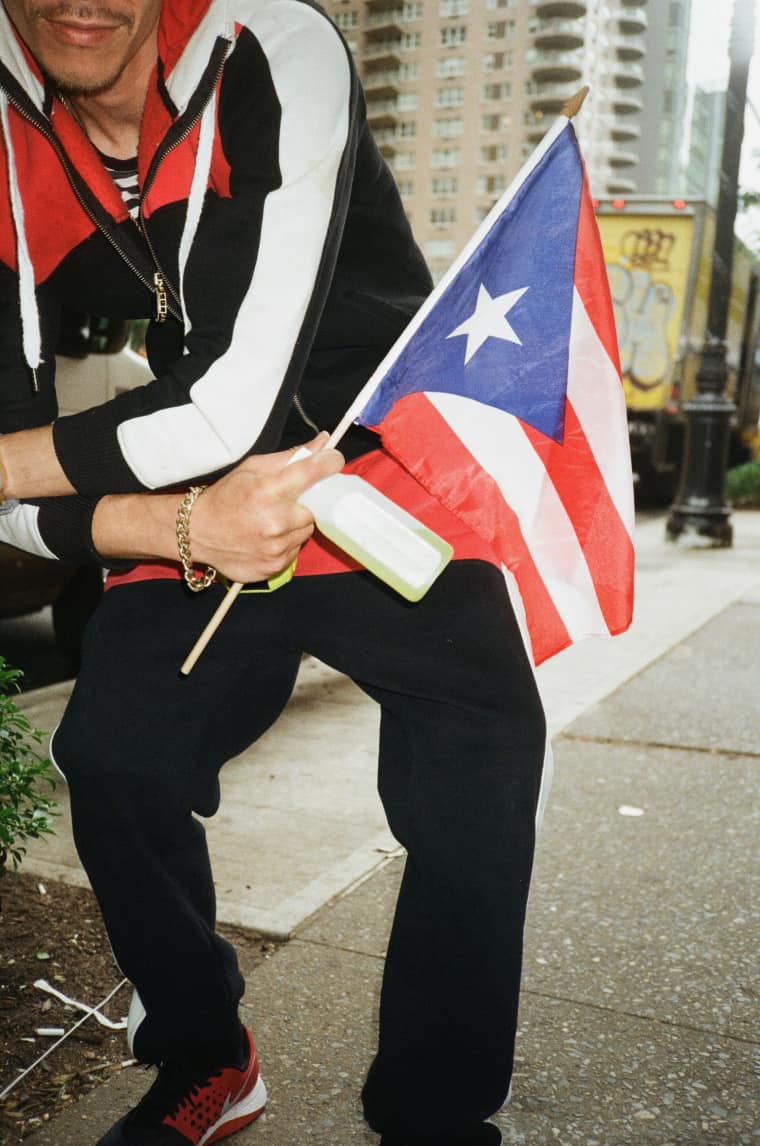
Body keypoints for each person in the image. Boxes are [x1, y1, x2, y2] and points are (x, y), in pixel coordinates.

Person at [0, 3, 547, 1144]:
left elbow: (234, 404)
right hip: (196, 487)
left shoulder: (270, 44)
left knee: (479, 751)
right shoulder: (8, 122)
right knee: (113, 758)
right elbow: (15, 494)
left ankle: (435, 1114)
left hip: (372, 447)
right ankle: (208, 1057)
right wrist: (171, 531)